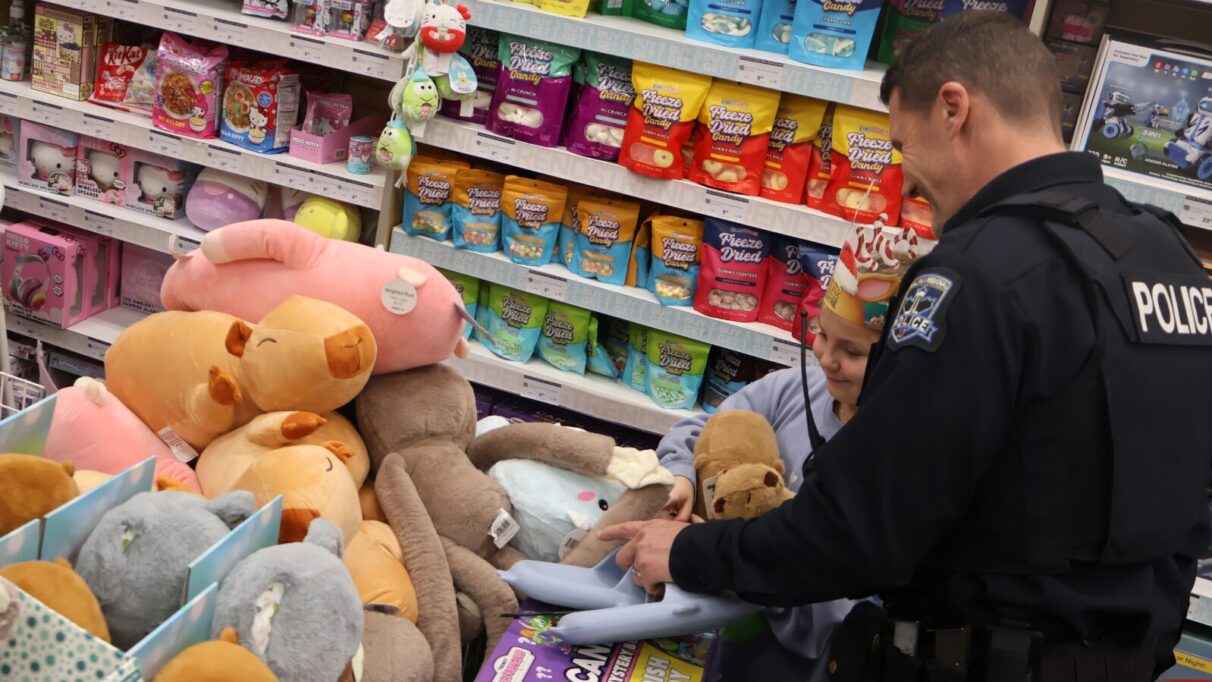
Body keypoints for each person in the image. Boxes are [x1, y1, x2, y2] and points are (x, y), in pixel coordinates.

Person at [601, 11, 1212, 680]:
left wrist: (690, 551)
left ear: (954, 109)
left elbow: (858, 530)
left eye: (901, 144)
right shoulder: (1169, 257)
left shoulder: (980, 275)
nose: (906, 181)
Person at [657, 222, 928, 678]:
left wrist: (742, 579)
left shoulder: (901, 455)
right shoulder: (793, 390)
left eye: (853, 352)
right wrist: (683, 474)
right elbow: (704, 427)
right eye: (822, 334)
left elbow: (850, 604)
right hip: (730, 649)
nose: (826, 359)